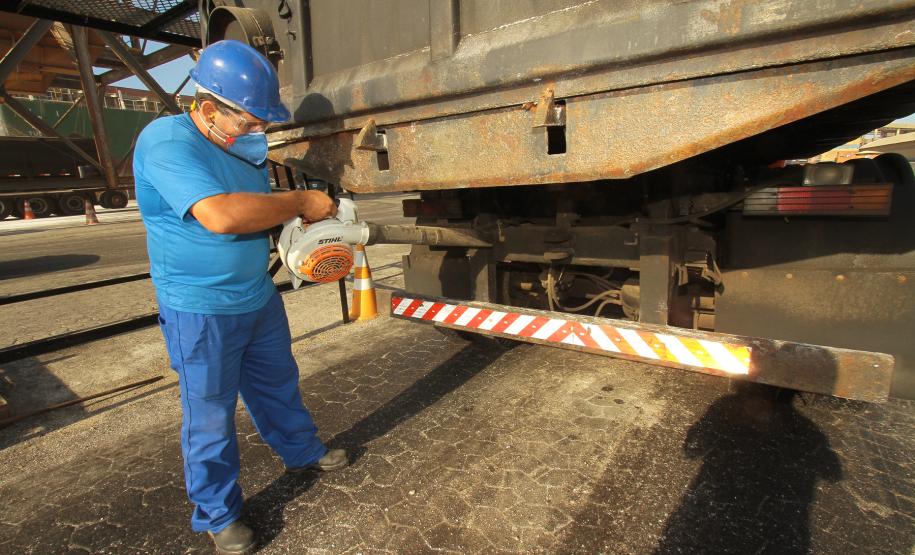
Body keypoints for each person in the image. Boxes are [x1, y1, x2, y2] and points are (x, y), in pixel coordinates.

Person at [134, 40, 346, 554]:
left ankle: (301, 450)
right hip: (200, 309)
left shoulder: (241, 148)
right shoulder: (166, 141)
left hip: (257, 297)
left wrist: (300, 224)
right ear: (208, 109)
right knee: (209, 415)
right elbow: (223, 215)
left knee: (278, 385)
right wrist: (299, 200)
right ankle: (218, 513)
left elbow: (259, 211)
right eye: (250, 122)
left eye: (262, 123)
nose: (258, 132)